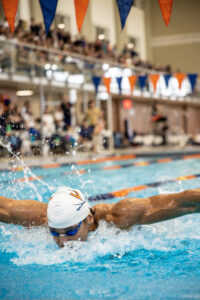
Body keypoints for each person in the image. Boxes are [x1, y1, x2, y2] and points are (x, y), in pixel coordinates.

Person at [0, 187, 200, 248]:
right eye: (55, 233)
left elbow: (183, 202)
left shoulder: (119, 216)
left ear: (87, 220)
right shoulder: (42, 217)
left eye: (70, 232)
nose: (62, 242)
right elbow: (5, 207)